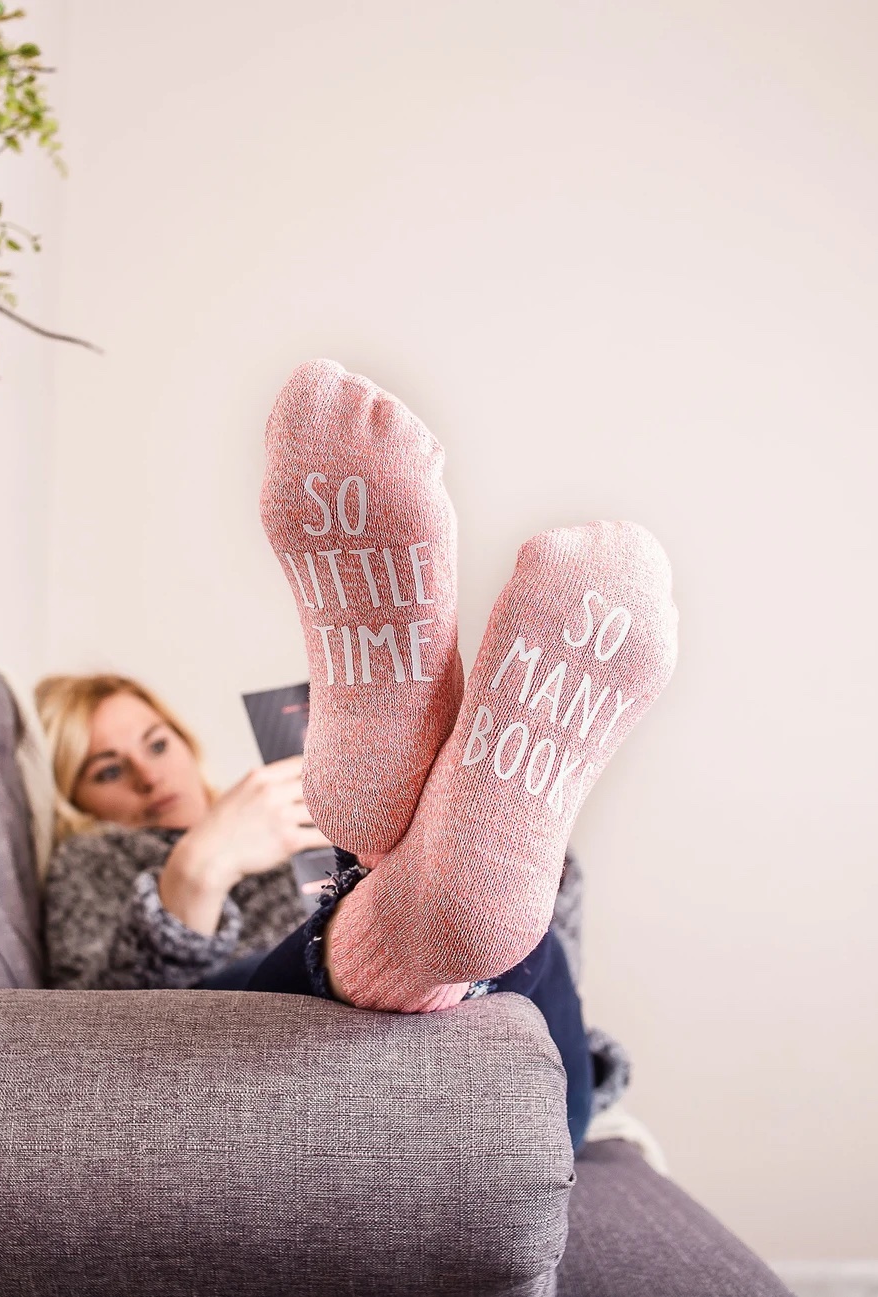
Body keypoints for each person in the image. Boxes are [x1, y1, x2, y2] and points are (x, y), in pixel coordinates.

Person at [37, 360, 676, 1151]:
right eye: (106, 769)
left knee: (490, 896)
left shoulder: (279, 794)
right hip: (262, 1070)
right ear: (75, 798)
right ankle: (420, 898)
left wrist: (448, 821)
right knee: (438, 903)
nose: (145, 772)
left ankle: (419, 854)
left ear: (186, 739)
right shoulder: (93, 864)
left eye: (155, 741)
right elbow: (87, 1042)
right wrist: (194, 872)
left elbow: (557, 934)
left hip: (498, 1058)